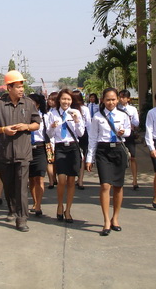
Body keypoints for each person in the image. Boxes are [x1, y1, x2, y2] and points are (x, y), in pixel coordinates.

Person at [0, 70, 41, 232]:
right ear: (9, 88)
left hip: (23, 152)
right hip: (4, 152)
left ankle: (22, 218)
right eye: (18, 86)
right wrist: (3, 129)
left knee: (22, 186)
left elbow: (37, 124)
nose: (21, 89)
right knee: (9, 184)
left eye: (22, 86)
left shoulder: (29, 103)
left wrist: (27, 126)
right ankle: (12, 208)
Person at [86, 88, 131, 236]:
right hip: (103, 151)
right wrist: (89, 158)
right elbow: (93, 138)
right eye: (108, 99)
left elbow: (129, 131)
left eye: (113, 99)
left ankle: (115, 218)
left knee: (118, 186)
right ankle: (106, 220)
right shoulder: (97, 117)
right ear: (103, 100)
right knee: (105, 185)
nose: (111, 102)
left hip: (118, 150)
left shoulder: (123, 115)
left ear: (117, 100)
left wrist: (124, 132)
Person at [46, 88, 85, 223]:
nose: (66, 102)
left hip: (73, 147)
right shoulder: (52, 114)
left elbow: (81, 133)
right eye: (63, 99)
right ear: (59, 100)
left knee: (71, 181)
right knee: (61, 180)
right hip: (60, 147)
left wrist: (77, 121)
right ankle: (59, 205)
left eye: (68, 99)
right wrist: (52, 126)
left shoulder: (76, 113)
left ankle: (68, 210)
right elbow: (49, 134)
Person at [27, 93, 48, 217]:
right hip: (28, 148)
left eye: (32, 103)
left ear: (38, 104)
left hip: (40, 148)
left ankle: (39, 205)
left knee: (39, 177)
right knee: (31, 178)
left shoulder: (45, 116)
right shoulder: (24, 116)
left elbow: (50, 134)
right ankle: (35, 202)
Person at [118, 90, 141, 190]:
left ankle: (135, 180)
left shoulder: (132, 109)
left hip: (129, 134)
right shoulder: (116, 108)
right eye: (120, 97)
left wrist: (129, 121)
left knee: (133, 157)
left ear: (128, 99)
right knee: (120, 157)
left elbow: (136, 122)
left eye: (123, 97)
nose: (121, 99)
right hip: (119, 135)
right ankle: (119, 179)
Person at [73, 89, 91, 190]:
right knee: (81, 157)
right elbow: (88, 124)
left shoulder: (84, 109)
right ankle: (79, 180)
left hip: (81, 134)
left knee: (81, 157)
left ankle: (79, 180)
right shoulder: (71, 109)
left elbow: (88, 123)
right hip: (77, 135)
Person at [45, 92, 58, 189]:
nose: (50, 101)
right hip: (48, 139)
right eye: (49, 99)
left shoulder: (58, 112)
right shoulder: (46, 111)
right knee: (49, 160)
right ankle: (51, 180)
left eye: (52, 99)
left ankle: (55, 177)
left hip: (58, 139)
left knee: (56, 160)